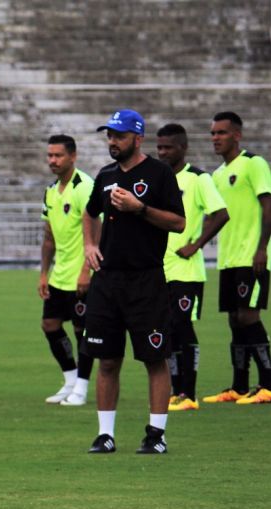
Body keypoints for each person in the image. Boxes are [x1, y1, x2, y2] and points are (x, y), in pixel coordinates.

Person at [82, 109, 185, 454]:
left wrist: (140, 208)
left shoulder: (159, 174)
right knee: (107, 360)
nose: (112, 141)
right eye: (109, 135)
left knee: (154, 359)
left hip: (146, 279)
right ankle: (105, 435)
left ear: (137, 138)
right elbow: (89, 211)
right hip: (107, 281)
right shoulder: (106, 174)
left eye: (119, 135)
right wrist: (90, 244)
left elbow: (178, 223)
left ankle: (156, 435)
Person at [155, 123, 229, 412]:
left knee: (182, 326)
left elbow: (221, 214)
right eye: (159, 147)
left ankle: (189, 393)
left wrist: (196, 244)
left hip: (187, 271)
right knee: (168, 329)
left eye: (167, 147)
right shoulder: (158, 179)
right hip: (161, 270)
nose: (162, 152)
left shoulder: (198, 179)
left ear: (182, 148)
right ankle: (175, 391)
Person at [203, 111, 271, 405]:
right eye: (213, 134)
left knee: (248, 315)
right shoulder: (217, 175)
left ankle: (268, 385)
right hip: (229, 259)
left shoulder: (254, 164)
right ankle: (239, 386)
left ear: (237, 135)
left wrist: (261, 248)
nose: (216, 138)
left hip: (251, 255)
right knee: (234, 319)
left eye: (222, 133)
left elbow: (268, 207)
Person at [39, 134, 95, 406]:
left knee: (81, 329)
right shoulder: (50, 191)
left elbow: (98, 230)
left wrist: (87, 269)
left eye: (58, 155)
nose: (52, 160)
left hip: (82, 275)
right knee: (49, 325)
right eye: (50, 155)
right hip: (59, 275)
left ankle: (82, 389)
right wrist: (43, 274)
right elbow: (48, 237)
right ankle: (71, 380)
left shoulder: (85, 186)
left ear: (72, 156)